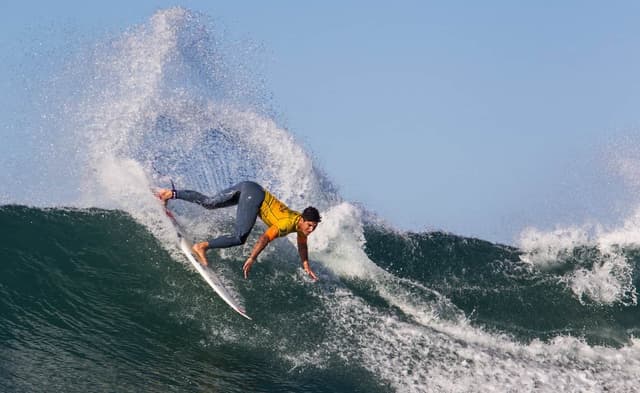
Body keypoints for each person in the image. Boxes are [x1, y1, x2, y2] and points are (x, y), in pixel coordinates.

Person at [157, 181, 321, 281]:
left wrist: (305, 264)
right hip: (254, 196)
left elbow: (302, 245)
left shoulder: (301, 226)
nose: (311, 229)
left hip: (252, 188)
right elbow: (264, 238)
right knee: (239, 237)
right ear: (302, 220)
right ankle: (202, 246)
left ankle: (169, 194)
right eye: (310, 225)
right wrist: (251, 258)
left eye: (314, 227)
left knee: (209, 203)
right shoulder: (287, 224)